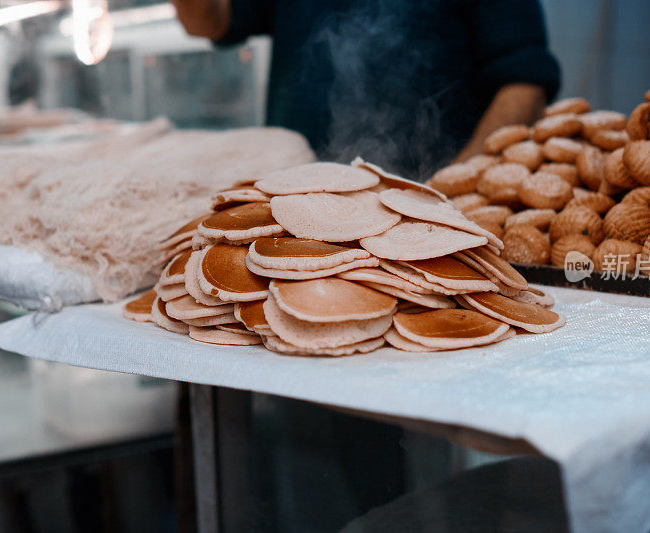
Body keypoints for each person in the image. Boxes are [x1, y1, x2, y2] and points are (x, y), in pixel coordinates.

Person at [170, 2, 561, 530]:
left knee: (426, 468)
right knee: (316, 457)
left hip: (426, 240)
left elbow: (523, 81)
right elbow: (209, 21)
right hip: (292, 242)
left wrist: (436, 207)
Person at [172, 0, 560, 179]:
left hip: (423, 202)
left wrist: (452, 192)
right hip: (296, 197)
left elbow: (524, 82)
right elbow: (210, 20)